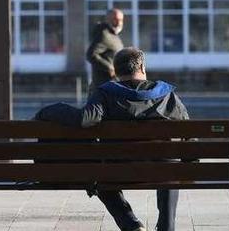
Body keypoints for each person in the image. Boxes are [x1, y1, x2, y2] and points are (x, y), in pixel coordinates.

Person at [35, 47, 189, 231]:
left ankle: (130, 224)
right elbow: (187, 129)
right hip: (161, 170)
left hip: (117, 171)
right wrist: (190, 163)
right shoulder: (166, 94)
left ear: (116, 71)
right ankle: (167, 226)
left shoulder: (106, 93)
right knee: (170, 169)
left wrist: (49, 110)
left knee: (99, 174)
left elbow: (86, 118)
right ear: (142, 67)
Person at [85, 8, 124, 95]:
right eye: (115, 19)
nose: (118, 23)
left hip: (113, 85)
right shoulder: (104, 34)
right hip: (103, 88)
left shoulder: (114, 35)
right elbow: (91, 54)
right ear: (107, 19)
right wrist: (109, 67)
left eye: (121, 20)